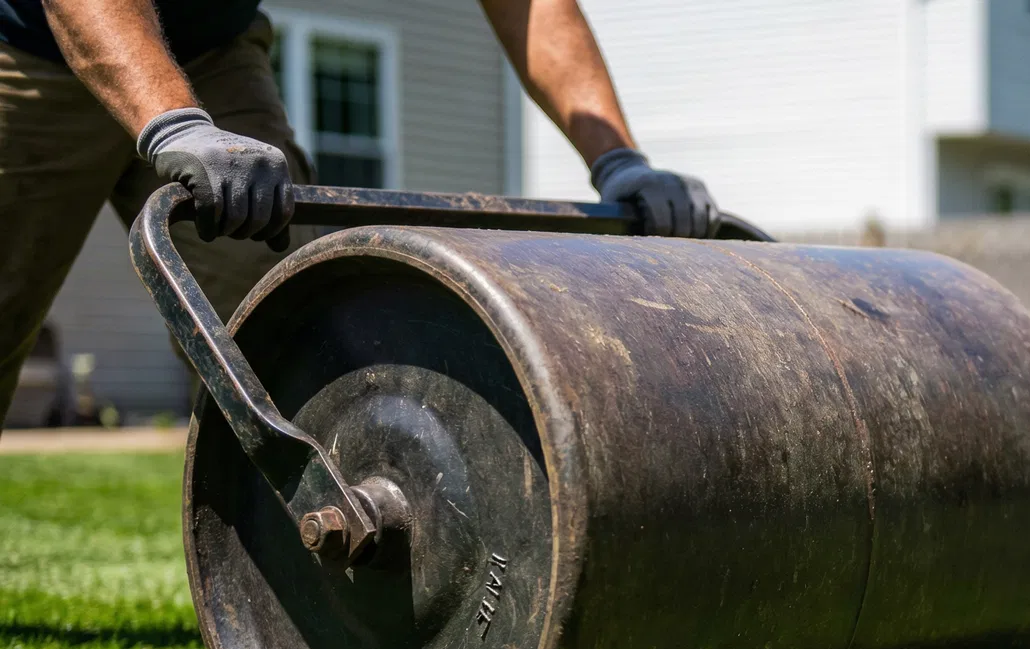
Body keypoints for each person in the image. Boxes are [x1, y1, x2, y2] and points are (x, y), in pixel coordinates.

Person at [0, 0, 719, 426]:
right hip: (30, 50)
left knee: (289, 329)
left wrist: (617, 157)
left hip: (212, 47)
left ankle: (313, 605)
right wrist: (173, 124)